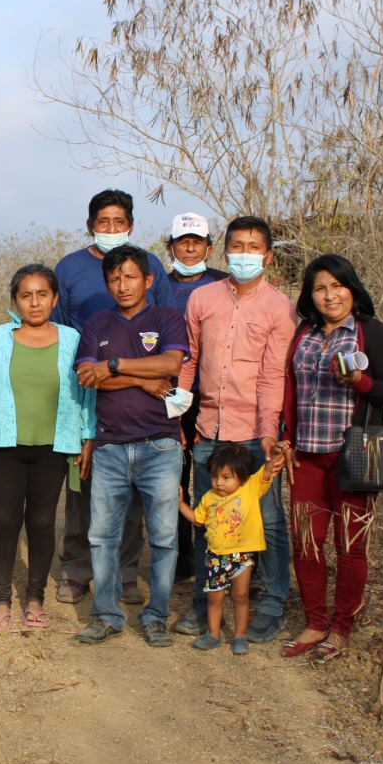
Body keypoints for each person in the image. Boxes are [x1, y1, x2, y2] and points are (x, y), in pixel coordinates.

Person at [173, 216, 297, 645]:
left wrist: (268, 433)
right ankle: (203, 601)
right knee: (207, 519)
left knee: (269, 520)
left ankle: (273, 603)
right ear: (225, 252)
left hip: (254, 435)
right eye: (238, 246)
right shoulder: (203, 298)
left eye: (253, 247)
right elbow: (189, 360)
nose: (245, 254)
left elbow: (273, 375)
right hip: (209, 429)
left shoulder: (280, 308)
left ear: (269, 256)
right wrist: (177, 415)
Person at [51, 189, 175, 607]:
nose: (110, 228)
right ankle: (76, 570)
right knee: (82, 484)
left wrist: (131, 375)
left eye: (119, 222)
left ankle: (126, 574)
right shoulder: (69, 267)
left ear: (131, 225)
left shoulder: (149, 264)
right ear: (90, 225)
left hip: (141, 396)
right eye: (102, 222)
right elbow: (60, 333)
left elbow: (168, 336)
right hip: (84, 386)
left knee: (133, 492)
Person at [278, 254, 383, 661]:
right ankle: (315, 623)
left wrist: (360, 382)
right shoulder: (305, 332)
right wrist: (286, 437)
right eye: (320, 288)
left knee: (350, 547)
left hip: (354, 458)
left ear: (352, 289)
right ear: (310, 296)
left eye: (337, 286)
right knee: (306, 544)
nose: (329, 295)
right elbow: (291, 389)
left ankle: (341, 629)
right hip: (307, 457)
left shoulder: (370, 331)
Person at [0, 265, 95, 630]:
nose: (34, 302)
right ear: (15, 301)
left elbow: (88, 394)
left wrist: (88, 437)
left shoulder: (72, 340)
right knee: (5, 522)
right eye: (26, 295)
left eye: (42, 294)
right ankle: (1, 600)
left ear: (55, 298)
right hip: (6, 446)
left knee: (41, 522)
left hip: (54, 447)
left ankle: (35, 598)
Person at [72, 245, 188, 647]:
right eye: (115, 278)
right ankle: (106, 615)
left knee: (164, 538)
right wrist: (140, 378)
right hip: (110, 446)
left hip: (161, 446)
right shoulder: (97, 323)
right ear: (107, 284)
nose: (123, 285)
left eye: (130, 277)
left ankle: (156, 616)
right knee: (102, 536)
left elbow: (170, 365)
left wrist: (115, 365)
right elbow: (87, 376)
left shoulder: (167, 318)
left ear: (148, 280)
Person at [164, 212, 229, 582]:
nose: (189, 248)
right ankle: (181, 562)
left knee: (216, 480)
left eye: (197, 241)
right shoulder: (157, 286)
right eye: (182, 241)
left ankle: (223, 559)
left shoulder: (224, 283)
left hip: (213, 400)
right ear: (170, 246)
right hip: (168, 396)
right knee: (173, 479)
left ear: (209, 246)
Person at [178, 443, 286, 653]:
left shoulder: (251, 488)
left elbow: (267, 470)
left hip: (241, 557)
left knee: (241, 596)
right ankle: (213, 634)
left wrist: (275, 454)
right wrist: (181, 504)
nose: (219, 482)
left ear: (242, 478)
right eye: (215, 476)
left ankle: (240, 636)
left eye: (226, 477)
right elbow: (198, 520)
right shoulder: (209, 497)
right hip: (216, 557)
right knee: (214, 597)